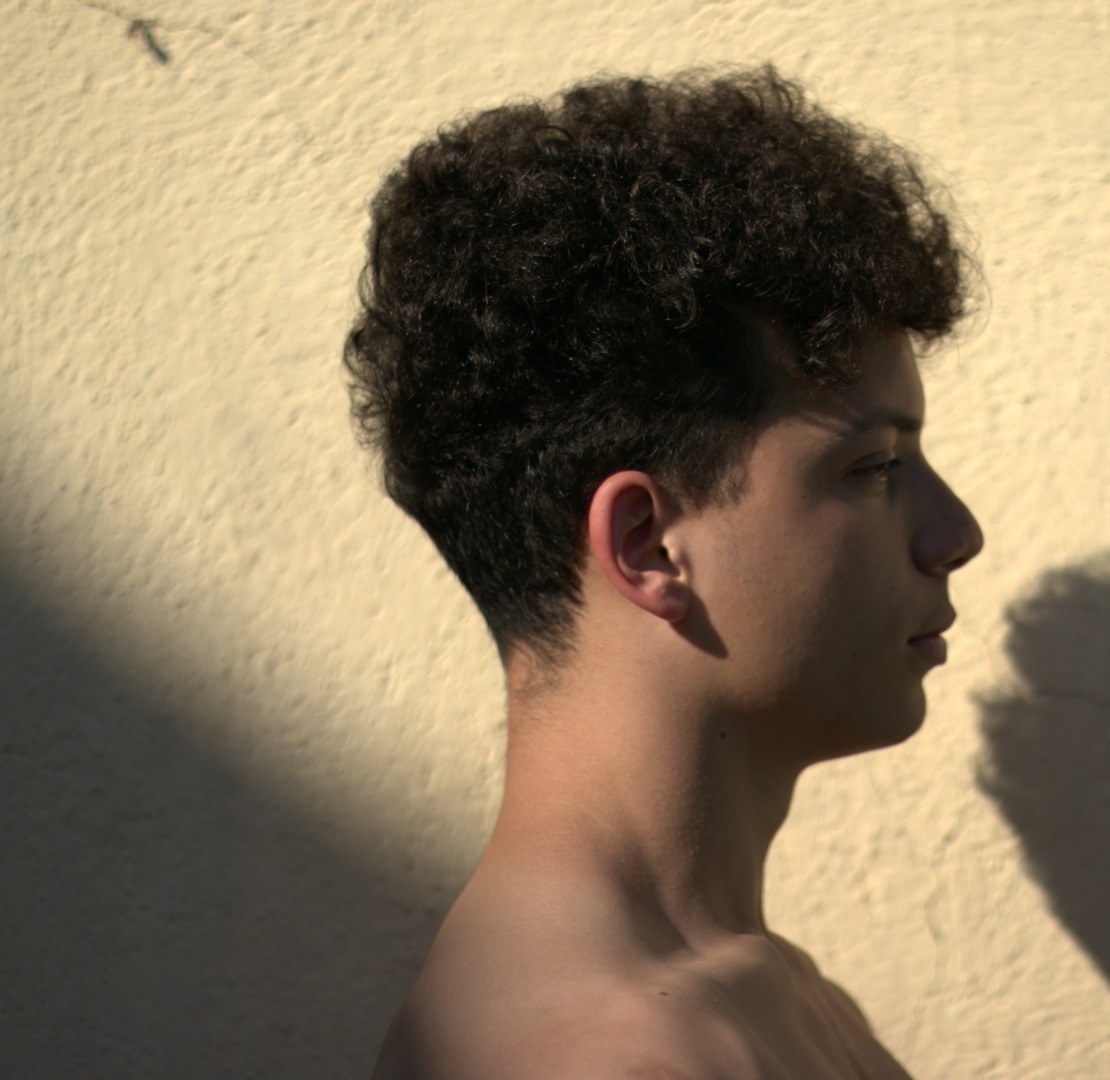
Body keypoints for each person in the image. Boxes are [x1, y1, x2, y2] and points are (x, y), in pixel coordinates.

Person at [345, 65, 983, 1079]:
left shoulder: (758, 988)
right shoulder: (603, 1060)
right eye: (873, 468)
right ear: (647, 545)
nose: (956, 533)